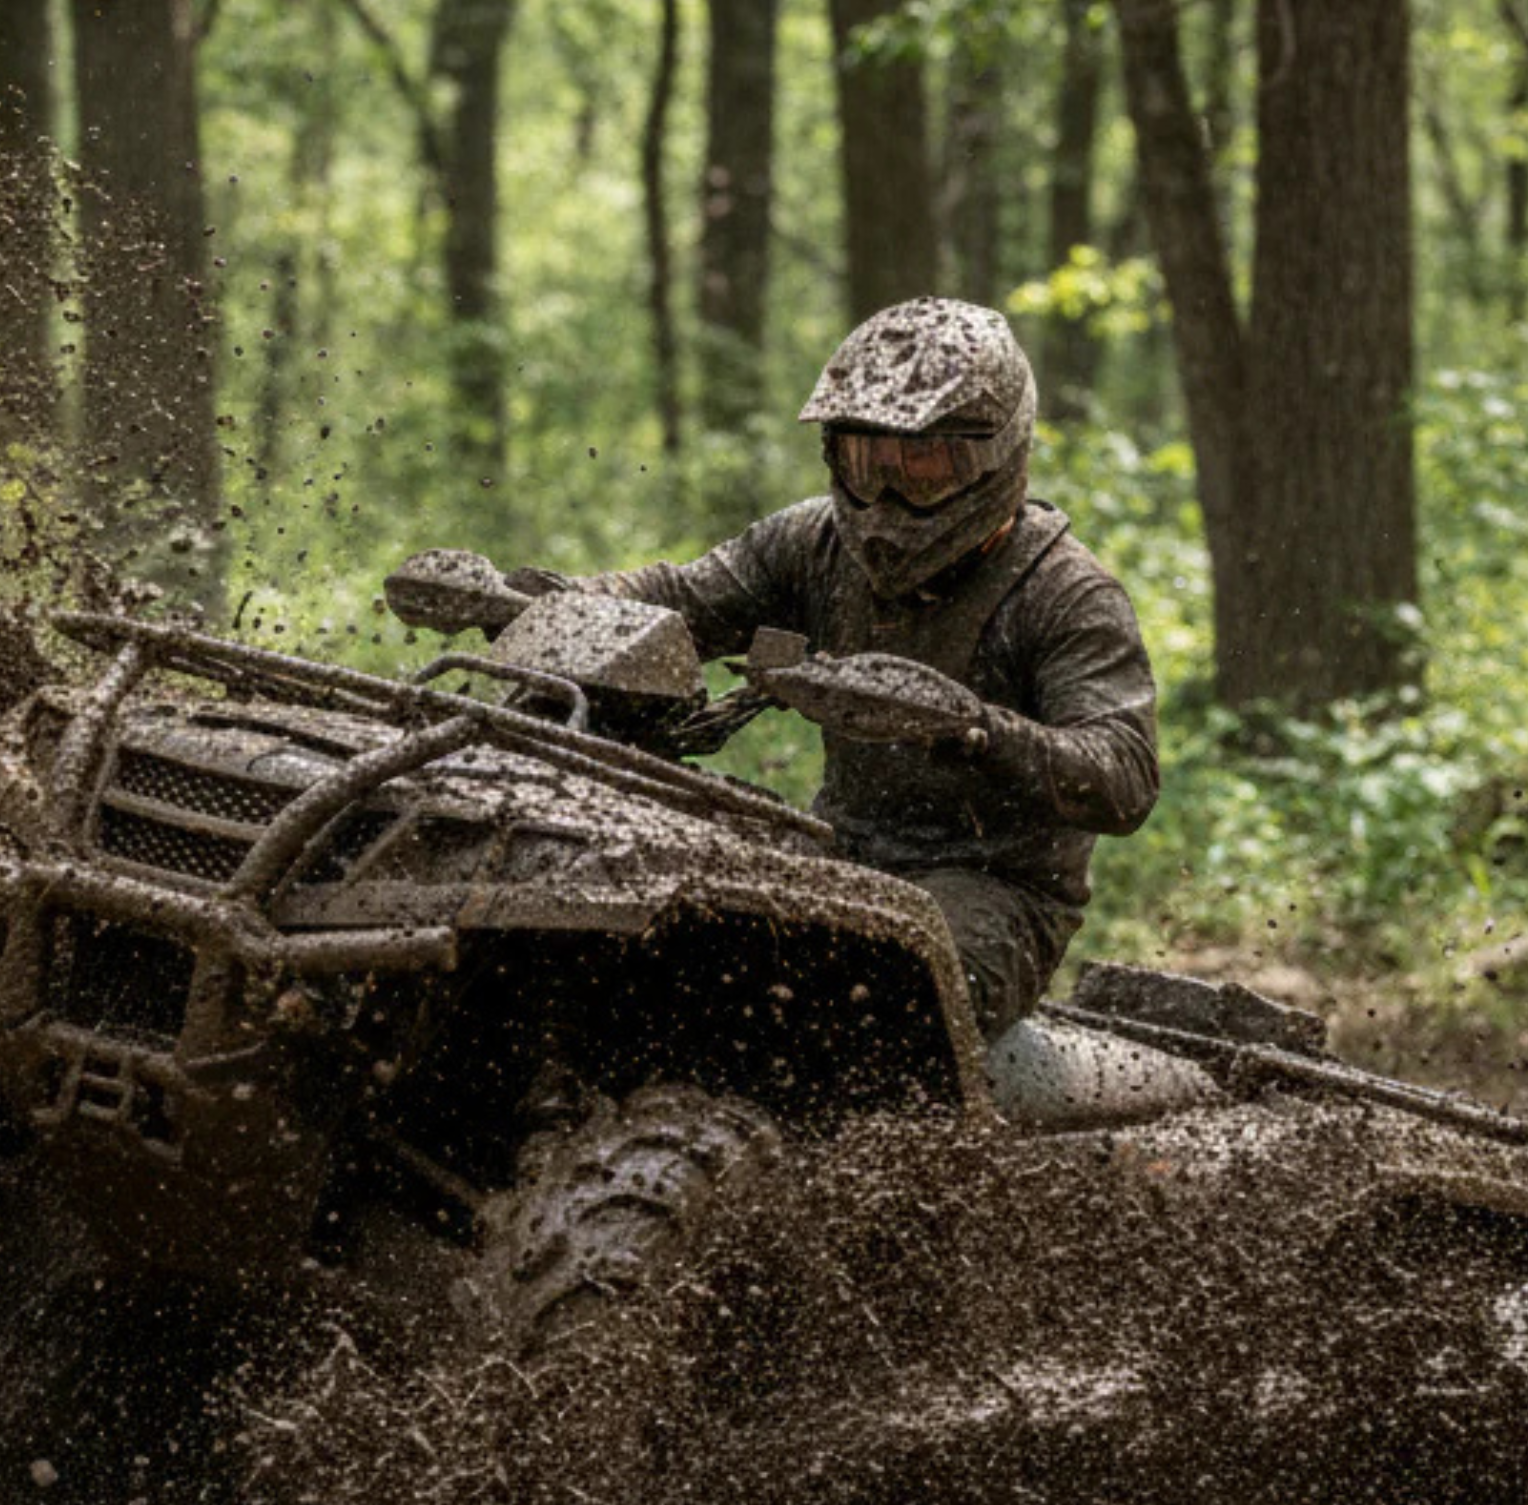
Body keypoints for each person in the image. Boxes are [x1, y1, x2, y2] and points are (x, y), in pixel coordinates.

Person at [436, 298, 1159, 1038]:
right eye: (866, 462)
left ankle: (874, 1150)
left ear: (994, 456)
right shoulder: (811, 544)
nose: (888, 496)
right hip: (835, 850)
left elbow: (1125, 776)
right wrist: (527, 602)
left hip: (996, 892)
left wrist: (971, 728)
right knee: (651, 919)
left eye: (923, 466)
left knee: (867, 1003)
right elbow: (678, 599)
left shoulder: (1066, 594)